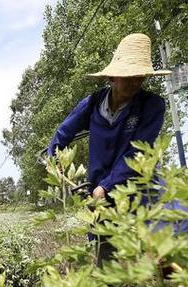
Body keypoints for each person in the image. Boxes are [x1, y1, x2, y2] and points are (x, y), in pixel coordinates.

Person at [46, 33, 171, 267]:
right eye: (129, 77)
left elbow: (137, 153)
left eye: (140, 77)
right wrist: (54, 161)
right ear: (113, 76)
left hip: (139, 190)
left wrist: (107, 186)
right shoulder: (93, 104)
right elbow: (63, 134)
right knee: (105, 258)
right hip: (100, 196)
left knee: (160, 255)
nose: (135, 82)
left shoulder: (152, 106)